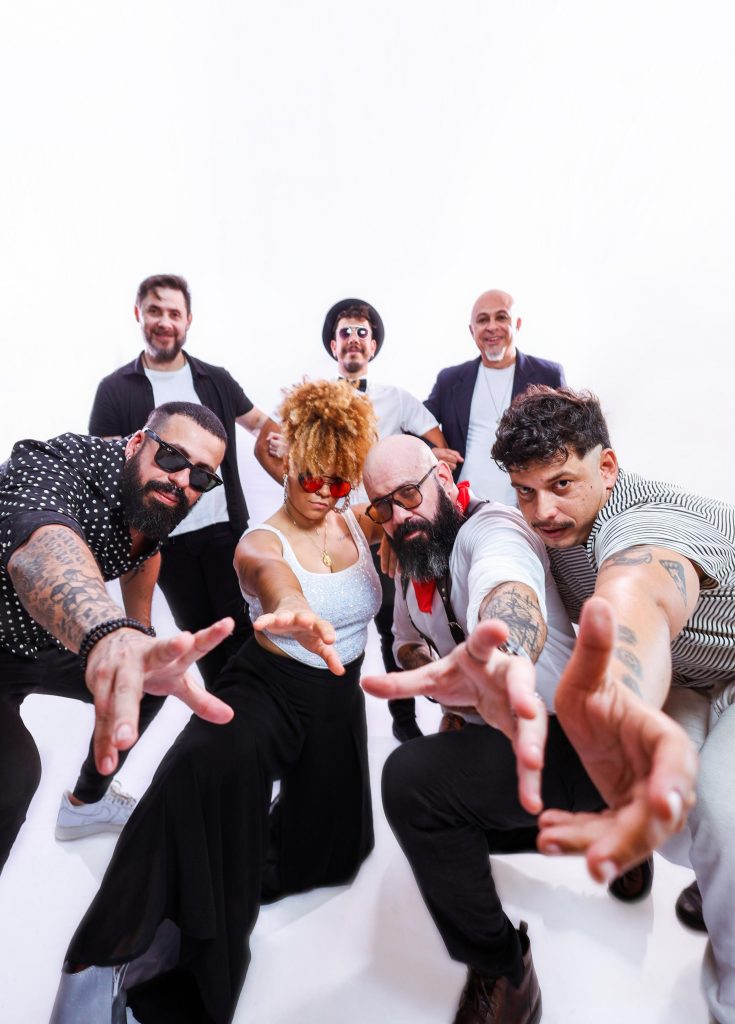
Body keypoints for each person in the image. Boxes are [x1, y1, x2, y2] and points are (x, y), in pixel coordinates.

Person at [50, 379, 384, 1024]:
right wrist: (291, 607)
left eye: (340, 480)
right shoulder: (259, 542)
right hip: (270, 686)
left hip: (339, 698)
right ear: (290, 461)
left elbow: (393, 512)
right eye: (313, 476)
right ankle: (105, 959)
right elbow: (273, 579)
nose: (325, 492)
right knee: (197, 771)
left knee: (335, 854)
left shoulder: (353, 515)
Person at [359, 435, 696, 1024]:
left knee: (411, 783)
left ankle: (505, 973)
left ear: (444, 478)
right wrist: (448, 690)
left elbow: (507, 588)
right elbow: (406, 641)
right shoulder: (415, 561)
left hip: (573, 736)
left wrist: (501, 658)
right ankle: (605, 832)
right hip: (510, 736)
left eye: (409, 494)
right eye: (382, 506)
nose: (399, 516)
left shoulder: (493, 529)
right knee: (445, 817)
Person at [489, 385, 734, 1024]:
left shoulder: (646, 521)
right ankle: (718, 881)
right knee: (667, 808)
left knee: (721, 812)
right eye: (525, 491)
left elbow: (639, 591)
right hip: (689, 675)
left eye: (561, 484)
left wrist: (616, 699)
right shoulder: (553, 532)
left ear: (607, 467)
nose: (543, 511)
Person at [56, 275, 268, 841]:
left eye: (174, 312)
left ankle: (247, 763)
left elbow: (259, 425)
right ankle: (92, 796)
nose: (165, 321)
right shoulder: (116, 390)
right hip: (158, 546)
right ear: (139, 315)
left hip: (223, 536)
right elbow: (105, 469)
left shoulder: (214, 379)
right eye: (155, 311)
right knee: (168, 657)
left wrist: (299, 445)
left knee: (242, 649)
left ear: (188, 320)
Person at [0, 402, 237, 875]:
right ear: (136, 443)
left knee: (148, 681)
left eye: (201, 477)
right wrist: (109, 635)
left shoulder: (156, 500)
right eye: (171, 457)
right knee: (14, 775)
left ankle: (84, 804)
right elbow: (41, 549)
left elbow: (144, 552)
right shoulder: (54, 463)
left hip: (40, 642)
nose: (181, 481)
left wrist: (138, 634)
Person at [255, 297, 462, 743]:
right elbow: (264, 445)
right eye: (344, 332)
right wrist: (305, 493)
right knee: (326, 621)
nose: (353, 339)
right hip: (333, 530)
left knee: (393, 626)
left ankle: (403, 720)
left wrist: (412, 493)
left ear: (373, 345)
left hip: (383, 527)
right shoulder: (311, 398)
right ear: (333, 345)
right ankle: (320, 718)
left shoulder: (397, 399)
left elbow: (436, 449)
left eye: (361, 332)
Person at [425, 289, 565, 504]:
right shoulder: (450, 380)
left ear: (517, 324)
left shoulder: (548, 374)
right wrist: (431, 453)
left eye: (501, 317)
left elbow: (567, 437)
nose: (491, 326)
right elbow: (415, 424)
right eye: (483, 320)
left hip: (526, 506)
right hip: (462, 506)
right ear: (472, 330)